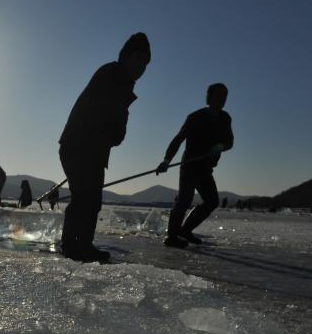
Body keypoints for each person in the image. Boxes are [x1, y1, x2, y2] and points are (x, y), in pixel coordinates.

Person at [58, 32, 150, 262]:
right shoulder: (112, 74)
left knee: (90, 200)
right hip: (80, 147)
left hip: (92, 150)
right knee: (84, 199)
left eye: (146, 63)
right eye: (139, 59)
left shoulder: (121, 82)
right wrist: (115, 130)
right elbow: (105, 117)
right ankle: (73, 247)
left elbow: (115, 131)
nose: (142, 67)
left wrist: (115, 131)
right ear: (126, 56)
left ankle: (81, 245)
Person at [157, 82, 234, 248]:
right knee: (184, 200)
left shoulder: (225, 118)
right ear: (209, 97)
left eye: (225, 96)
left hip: (206, 167)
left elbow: (230, 142)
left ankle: (185, 230)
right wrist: (166, 160)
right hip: (190, 165)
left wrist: (221, 146)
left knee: (212, 201)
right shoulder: (195, 117)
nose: (222, 99)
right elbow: (178, 139)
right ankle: (171, 237)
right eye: (219, 95)